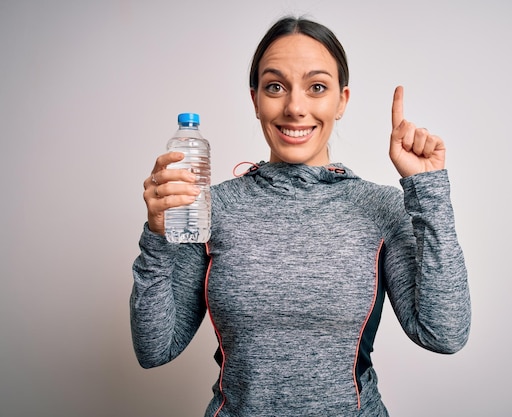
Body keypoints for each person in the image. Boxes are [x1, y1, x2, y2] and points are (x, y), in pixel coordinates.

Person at [131, 16, 471, 417]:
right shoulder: (212, 208)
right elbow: (156, 348)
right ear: (255, 98)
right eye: (275, 86)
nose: (295, 107)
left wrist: (428, 191)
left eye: (317, 87)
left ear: (341, 101)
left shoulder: (381, 209)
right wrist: (156, 237)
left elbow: (444, 334)